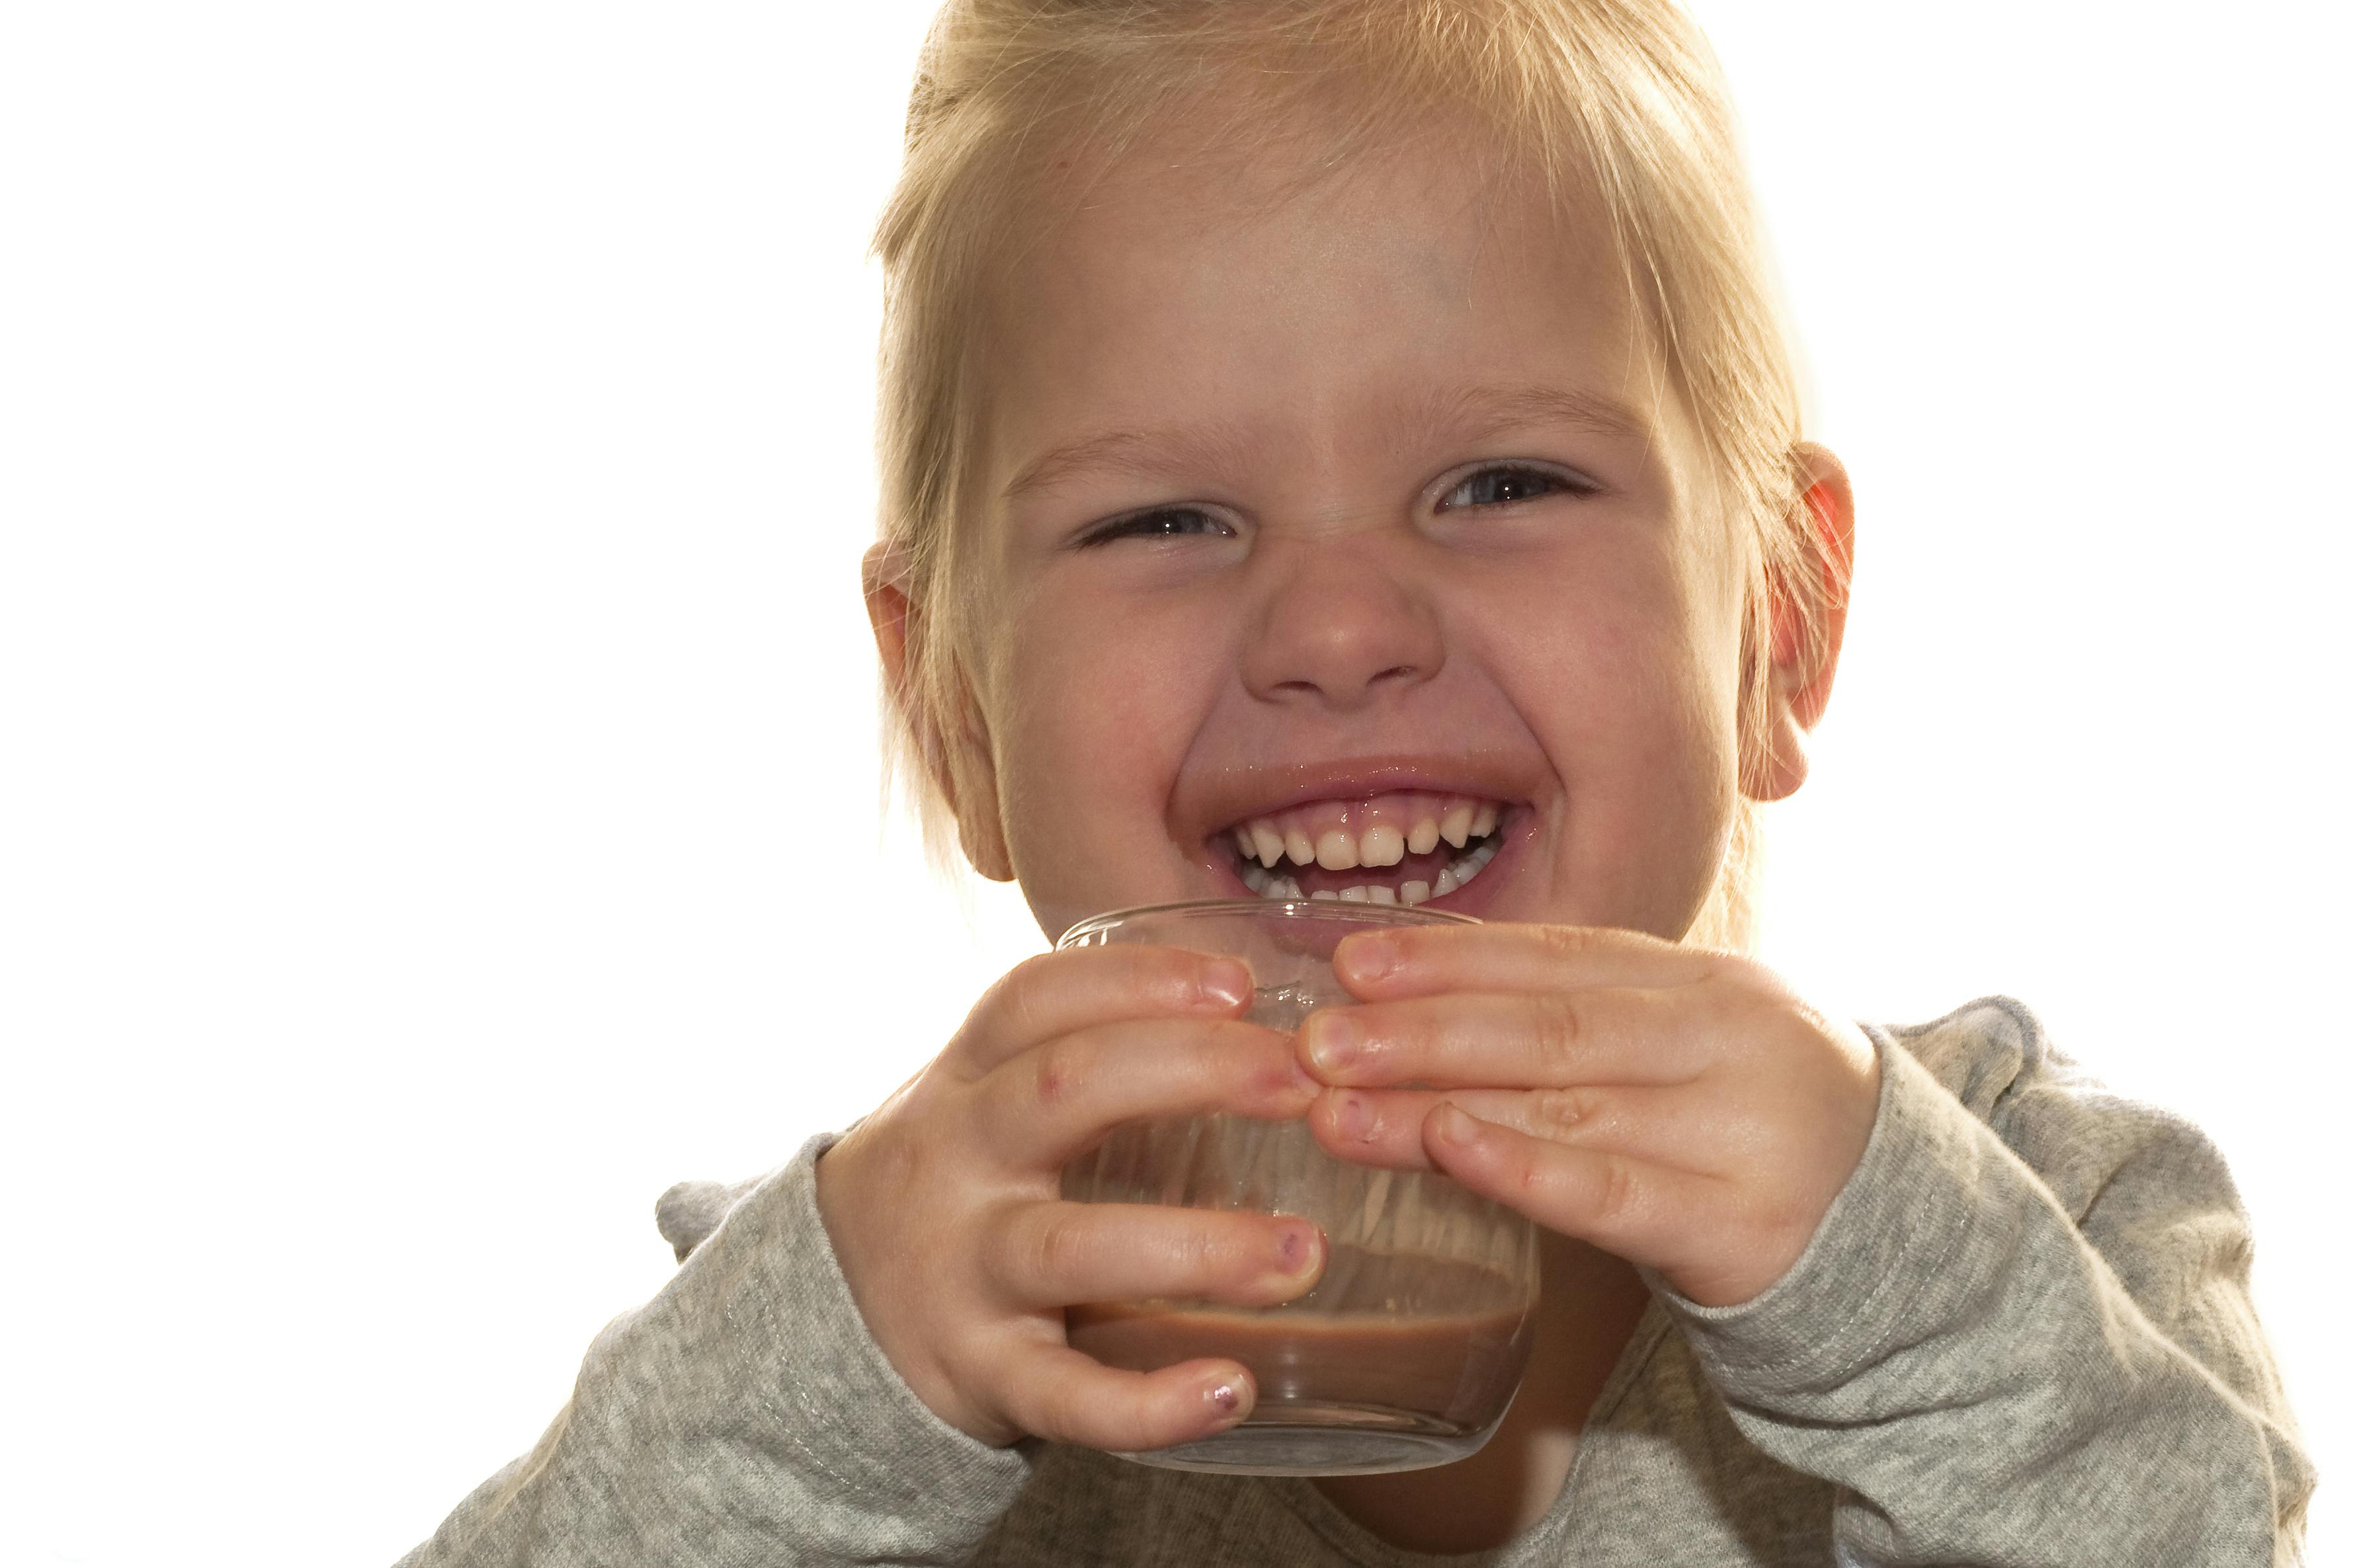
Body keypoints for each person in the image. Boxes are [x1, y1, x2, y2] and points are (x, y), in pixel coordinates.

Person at [399, 1, 2312, 1562]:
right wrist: (831, 1383)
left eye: (1500, 483)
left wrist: (1891, 1283)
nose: (1333, 623)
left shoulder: (2051, 1232)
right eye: (1163, 517)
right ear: (958, 718)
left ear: (1779, 618)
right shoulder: (893, 1323)